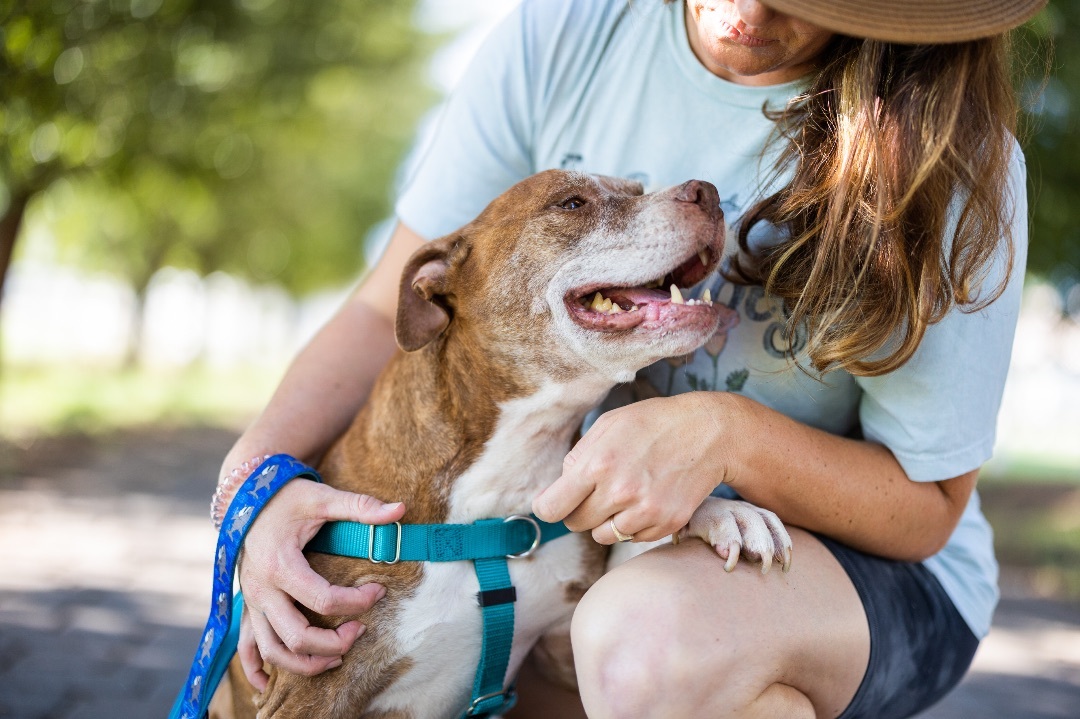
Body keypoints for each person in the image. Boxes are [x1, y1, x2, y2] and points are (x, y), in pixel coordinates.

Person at [213, 0, 1045, 716]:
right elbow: (389, 308)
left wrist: (725, 436)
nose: (748, 11)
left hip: (872, 565)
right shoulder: (572, 31)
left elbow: (928, 506)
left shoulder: (951, 155)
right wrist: (253, 490)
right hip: (618, 538)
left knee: (641, 643)